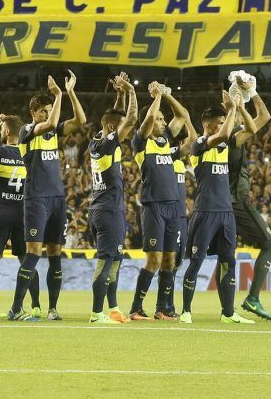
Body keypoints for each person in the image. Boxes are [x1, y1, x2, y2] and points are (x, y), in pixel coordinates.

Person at [11, 72, 86, 322]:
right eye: (43, 110)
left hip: (57, 199)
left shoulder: (51, 133)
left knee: (55, 255)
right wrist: (58, 95)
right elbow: (52, 124)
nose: (47, 113)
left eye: (48, 110)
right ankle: (16, 308)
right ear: (34, 113)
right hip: (36, 199)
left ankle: (52, 308)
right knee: (33, 253)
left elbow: (80, 120)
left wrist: (70, 92)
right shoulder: (26, 131)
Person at [180, 90, 254, 325]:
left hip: (226, 213)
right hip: (205, 212)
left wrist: (240, 107)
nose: (225, 126)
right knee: (197, 261)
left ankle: (228, 313)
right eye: (220, 122)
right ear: (209, 126)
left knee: (228, 262)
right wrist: (231, 108)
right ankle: (186, 311)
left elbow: (251, 129)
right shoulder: (199, 145)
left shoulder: (223, 143)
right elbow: (223, 135)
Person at [129, 81, 192, 321]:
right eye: (159, 120)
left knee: (169, 260)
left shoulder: (166, 139)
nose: (163, 123)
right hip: (153, 205)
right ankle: (136, 308)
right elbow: (146, 121)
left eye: (163, 120)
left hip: (172, 207)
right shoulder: (140, 142)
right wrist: (156, 97)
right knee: (153, 259)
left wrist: (166, 95)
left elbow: (183, 115)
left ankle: (162, 309)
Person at [87, 74, 139, 324]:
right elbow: (130, 118)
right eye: (118, 130)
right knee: (106, 261)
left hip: (101, 208)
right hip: (108, 210)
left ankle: (114, 309)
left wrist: (119, 95)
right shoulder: (108, 144)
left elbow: (112, 118)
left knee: (115, 259)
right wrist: (131, 90)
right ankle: (97, 313)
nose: (125, 133)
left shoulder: (97, 141)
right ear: (112, 129)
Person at [224, 80, 271, 321]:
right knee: (269, 244)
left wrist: (251, 92)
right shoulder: (232, 135)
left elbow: (263, 116)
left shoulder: (227, 133)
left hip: (226, 201)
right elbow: (260, 122)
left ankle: (227, 309)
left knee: (226, 254)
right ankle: (253, 298)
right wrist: (242, 102)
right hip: (237, 201)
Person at [0, 112, 40, 320]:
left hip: (0, 214)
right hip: (23, 214)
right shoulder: (30, 153)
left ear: (5, 132)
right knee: (27, 260)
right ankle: (36, 306)